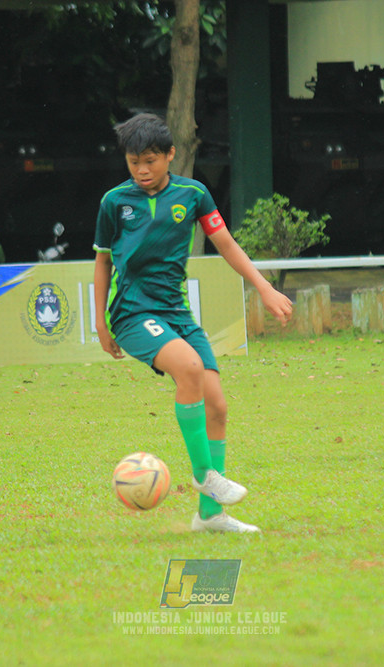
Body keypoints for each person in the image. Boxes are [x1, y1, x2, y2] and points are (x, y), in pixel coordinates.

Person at [93, 113, 292, 534]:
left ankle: (209, 516)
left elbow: (226, 244)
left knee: (217, 405)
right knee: (188, 369)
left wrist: (264, 287)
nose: (141, 171)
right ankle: (206, 476)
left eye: (150, 160)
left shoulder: (194, 194)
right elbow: (102, 261)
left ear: (171, 155)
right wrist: (100, 321)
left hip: (177, 313)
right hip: (132, 313)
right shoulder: (114, 202)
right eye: (133, 162)